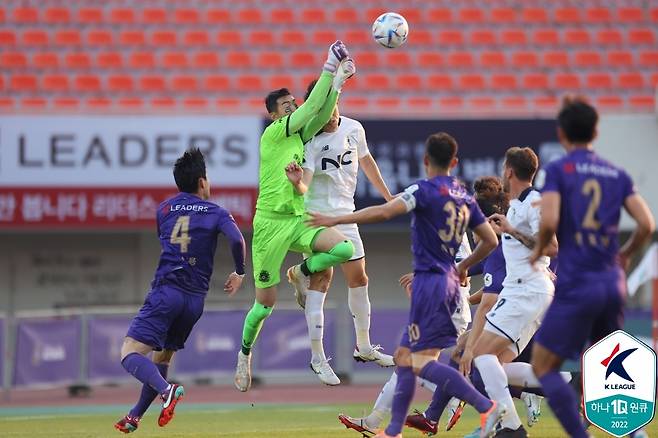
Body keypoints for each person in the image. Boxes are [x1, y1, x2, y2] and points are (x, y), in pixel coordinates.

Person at [309, 132, 505, 438]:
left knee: (420, 363)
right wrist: (463, 268)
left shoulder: (423, 190)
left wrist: (335, 221)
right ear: (454, 162)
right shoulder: (464, 196)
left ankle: (486, 407)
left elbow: (384, 211)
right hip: (448, 285)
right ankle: (393, 430)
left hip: (431, 285)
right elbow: (491, 240)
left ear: (425, 161)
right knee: (403, 357)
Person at [234, 41, 359, 391]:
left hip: (297, 218)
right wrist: (330, 69)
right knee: (265, 306)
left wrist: (338, 86)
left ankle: (298, 272)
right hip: (270, 225)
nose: (295, 108)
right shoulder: (274, 134)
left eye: (294, 104)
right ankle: (244, 353)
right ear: (275, 115)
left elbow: (319, 114)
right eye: (287, 106)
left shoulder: (299, 135)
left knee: (343, 250)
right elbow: (311, 112)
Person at [529, 96, 655, 438]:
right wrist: (626, 253)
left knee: (543, 366)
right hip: (612, 282)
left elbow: (551, 218)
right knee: (608, 364)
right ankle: (634, 433)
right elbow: (646, 224)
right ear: (595, 132)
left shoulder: (559, 169)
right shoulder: (617, 173)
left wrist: (539, 249)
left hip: (578, 280)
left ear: (562, 133)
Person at [115, 148, 246, 433]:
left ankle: (166, 391)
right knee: (161, 358)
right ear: (202, 182)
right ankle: (135, 416)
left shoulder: (163, 210)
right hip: (195, 301)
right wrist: (239, 272)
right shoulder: (217, 212)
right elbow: (237, 240)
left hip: (166, 292)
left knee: (129, 352)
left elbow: (166, 239)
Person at [295, 80, 395, 371]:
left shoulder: (354, 128)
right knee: (322, 280)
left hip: (345, 215)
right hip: (317, 218)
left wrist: (388, 197)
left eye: (335, 104)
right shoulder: (309, 141)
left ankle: (364, 346)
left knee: (360, 279)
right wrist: (298, 186)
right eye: (326, 108)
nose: (334, 113)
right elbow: (307, 181)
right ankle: (317, 357)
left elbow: (367, 163)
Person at [471, 147, 565, 438]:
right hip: (526, 291)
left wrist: (511, 229)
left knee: (480, 355)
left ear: (509, 170)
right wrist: (502, 230)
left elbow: (551, 247)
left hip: (526, 292)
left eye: (504, 167)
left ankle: (509, 426)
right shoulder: (514, 207)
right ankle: (570, 382)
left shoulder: (535, 202)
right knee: (495, 366)